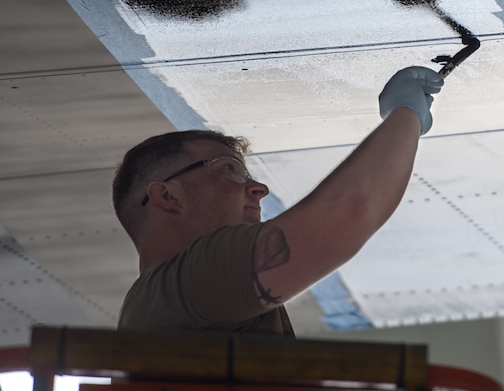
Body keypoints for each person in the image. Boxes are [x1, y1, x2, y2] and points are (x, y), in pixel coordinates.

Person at [113, 66, 444, 335]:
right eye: (229, 171)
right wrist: (406, 114)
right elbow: (351, 211)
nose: (258, 189)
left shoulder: (163, 302)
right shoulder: (188, 284)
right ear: (167, 195)